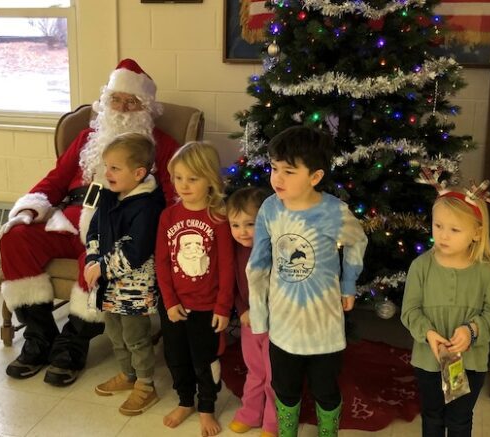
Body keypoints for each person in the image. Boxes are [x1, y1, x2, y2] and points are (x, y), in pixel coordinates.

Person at [0, 58, 180, 387]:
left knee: (96, 261)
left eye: (132, 102)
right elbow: (55, 180)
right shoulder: (87, 138)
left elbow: (173, 197)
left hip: (117, 229)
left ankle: (72, 345)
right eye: (116, 99)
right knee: (15, 236)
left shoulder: (163, 146)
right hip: (67, 220)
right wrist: (30, 209)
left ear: (147, 108)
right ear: (105, 102)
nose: (122, 108)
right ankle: (40, 337)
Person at [248, 126, 368, 437]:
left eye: (289, 171)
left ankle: (328, 432)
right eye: (274, 168)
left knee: (325, 389)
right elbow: (257, 264)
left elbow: (357, 240)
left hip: (323, 327)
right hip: (283, 325)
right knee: (285, 389)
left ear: (315, 177)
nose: (277, 178)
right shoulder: (270, 209)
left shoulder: (334, 212)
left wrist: (349, 284)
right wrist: (259, 315)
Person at [401, 181, 490, 437]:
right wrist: (428, 333)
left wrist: (472, 330)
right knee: (432, 416)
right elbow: (410, 311)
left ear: (477, 233)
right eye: (438, 226)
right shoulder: (420, 267)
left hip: (470, 364)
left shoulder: (486, 273)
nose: (443, 235)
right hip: (429, 361)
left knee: (459, 420)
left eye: (454, 229)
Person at [155, 142, 235, 436]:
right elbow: (162, 262)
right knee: (176, 357)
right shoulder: (168, 216)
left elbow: (227, 267)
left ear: (210, 179)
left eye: (192, 178)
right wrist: (169, 301)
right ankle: (185, 401)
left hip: (207, 307)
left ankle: (206, 407)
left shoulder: (219, 218)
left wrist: (223, 307)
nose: (184, 185)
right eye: (178, 177)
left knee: (205, 361)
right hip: (174, 305)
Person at [84, 133, 166, 416]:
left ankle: (145, 384)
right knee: (115, 333)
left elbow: (136, 250)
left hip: (134, 290)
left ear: (139, 173)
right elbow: (94, 230)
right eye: (107, 166)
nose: (107, 173)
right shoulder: (109, 196)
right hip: (108, 286)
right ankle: (127, 374)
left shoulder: (147, 205)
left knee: (136, 337)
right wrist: (92, 259)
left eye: (115, 168)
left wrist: (102, 267)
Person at [225, 186, 276, 437]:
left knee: (274, 374)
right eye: (235, 225)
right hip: (250, 322)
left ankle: (273, 422)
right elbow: (234, 285)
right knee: (255, 371)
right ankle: (251, 412)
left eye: (249, 224)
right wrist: (243, 309)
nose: (241, 232)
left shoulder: (275, 249)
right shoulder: (235, 250)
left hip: (277, 323)